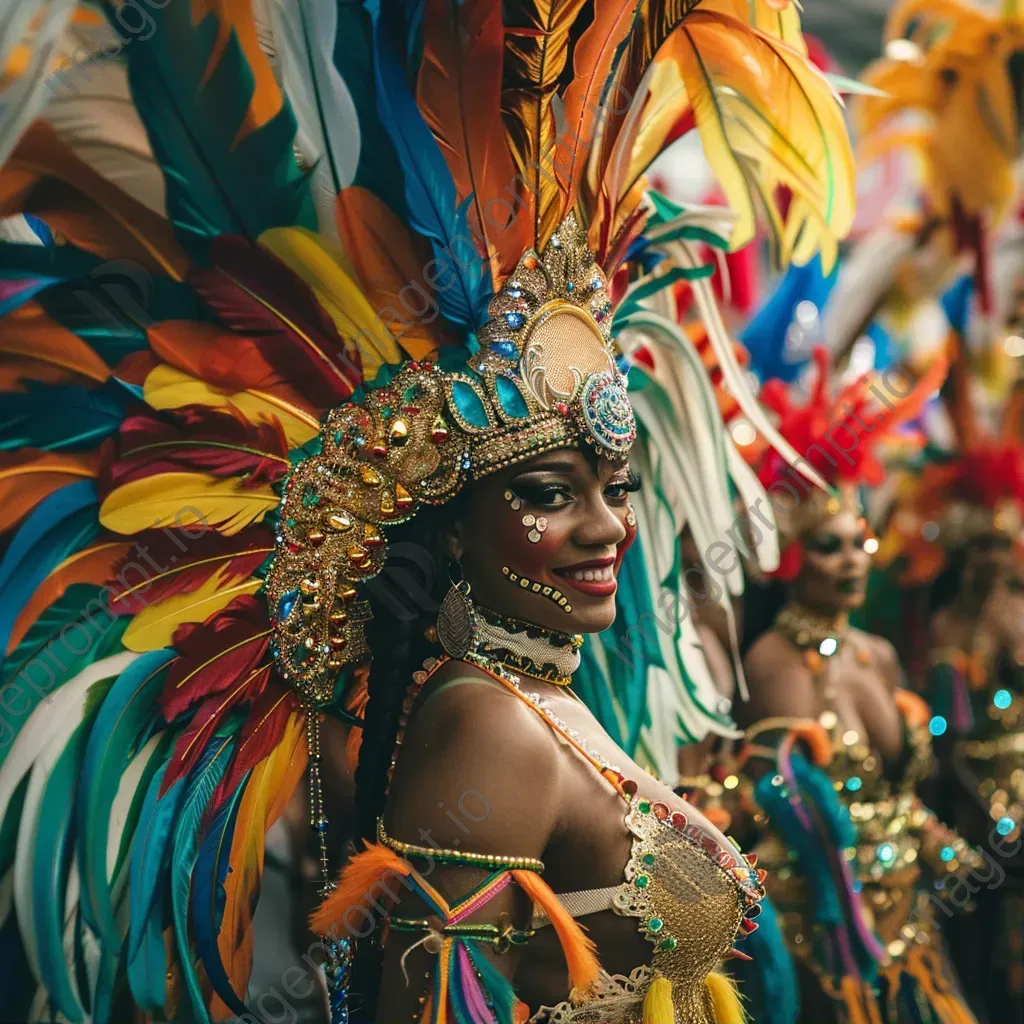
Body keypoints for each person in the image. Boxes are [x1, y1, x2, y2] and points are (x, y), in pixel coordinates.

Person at [0, 1, 855, 1021]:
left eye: (616, 487)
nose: (609, 526)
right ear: (447, 527)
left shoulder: (537, 699)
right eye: (548, 494)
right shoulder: (485, 722)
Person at [733, 351, 982, 1024]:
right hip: (827, 935)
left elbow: (888, 790)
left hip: (910, 918)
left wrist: (926, 831)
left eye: (859, 543)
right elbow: (789, 813)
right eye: (827, 546)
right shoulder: (774, 662)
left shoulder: (877, 654)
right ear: (790, 557)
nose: (850, 561)